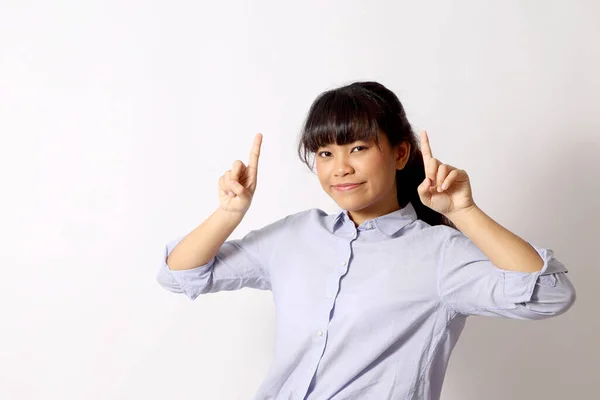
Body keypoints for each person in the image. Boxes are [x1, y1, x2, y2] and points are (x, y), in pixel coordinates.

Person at [156, 81, 576, 400]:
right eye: (325, 153)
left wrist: (463, 212)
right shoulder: (295, 235)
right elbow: (180, 274)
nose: (340, 168)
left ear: (399, 154)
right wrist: (230, 213)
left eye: (357, 147)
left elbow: (550, 295)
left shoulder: (439, 255)